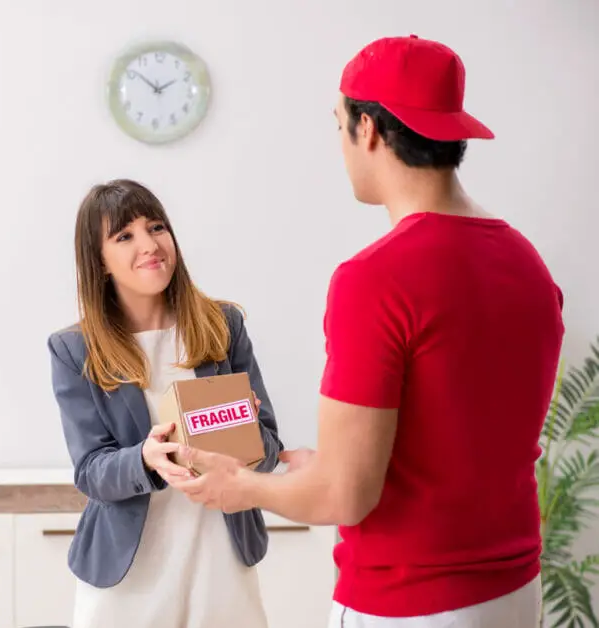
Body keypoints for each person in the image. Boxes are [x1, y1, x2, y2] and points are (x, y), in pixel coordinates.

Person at [169, 35, 565, 627]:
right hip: (512, 591)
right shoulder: (526, 263)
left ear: (370, 131)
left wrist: (241, 487)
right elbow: (459, 443)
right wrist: (322, 466)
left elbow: (345, 496)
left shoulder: (374, 279)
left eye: (338, 125)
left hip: (410, 604)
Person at [47, 178, 283, 628]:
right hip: (128, 578)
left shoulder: (223, 326)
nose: (150, 244)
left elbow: (269, 450)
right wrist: (145, 459)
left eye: (156, 226)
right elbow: (91, 471)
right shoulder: (74, 349)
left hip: (221, 564)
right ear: (99, 261)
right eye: (124, 236)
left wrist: (246, 437)